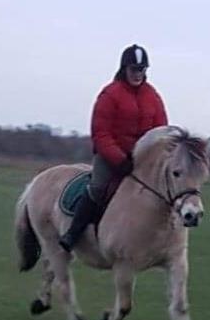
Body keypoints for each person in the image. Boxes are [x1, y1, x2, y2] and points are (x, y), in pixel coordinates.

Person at [59, 43, 168, 252]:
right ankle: (73, 234)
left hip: (142, 160)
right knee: (98, 187)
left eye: (142, 70)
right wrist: (119, 159)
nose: (138, 74)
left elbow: (160, 131)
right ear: (124, 68)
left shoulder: (153, 97)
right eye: (134, 69)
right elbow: (101, 133)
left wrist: (152, 158)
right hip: (111, 157)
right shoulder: (109, 94)